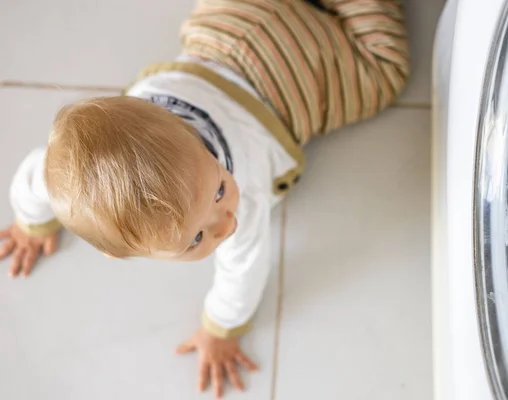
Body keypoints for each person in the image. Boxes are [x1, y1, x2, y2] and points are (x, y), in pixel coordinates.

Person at [1, 0, 409, 397]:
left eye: (218, 190)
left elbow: (242, 275)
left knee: (385, 68)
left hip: (309, 71)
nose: (225, 223)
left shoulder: (243, 197)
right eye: (198, 239)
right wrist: (31, 220)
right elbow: (35, 178)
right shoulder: (151, 124)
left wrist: (220, 329)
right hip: (231, 25)